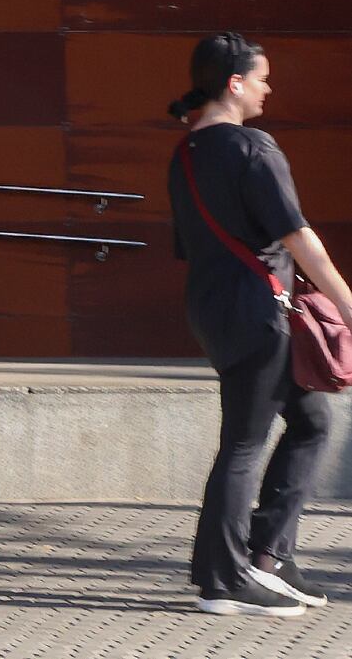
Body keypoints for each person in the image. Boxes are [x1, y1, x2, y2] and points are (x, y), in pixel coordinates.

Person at [170, 31, 352, 616]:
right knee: (244, 445)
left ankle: (270, 556)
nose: (268, 88)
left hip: (215, 308)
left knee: (312, 421)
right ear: (235, 82)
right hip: (257, 309)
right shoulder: (253, 148)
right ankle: (223, 579)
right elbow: (300, 239)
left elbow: (191, 244)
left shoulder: (187, 152)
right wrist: (348, 306)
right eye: (263, 77)